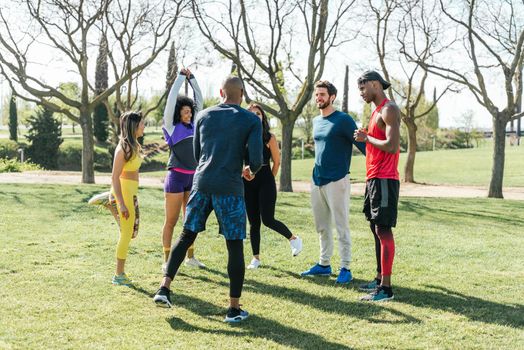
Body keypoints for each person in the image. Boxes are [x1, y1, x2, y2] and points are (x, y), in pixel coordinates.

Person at [153, 76, 263, 323]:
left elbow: (196, 152)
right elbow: (256, 159)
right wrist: (249, 169)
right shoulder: (250, 120)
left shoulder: (202, 116)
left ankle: (164, 288)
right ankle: (233, 309)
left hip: (201, 183)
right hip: (230, 187)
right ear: (242, 94)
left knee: (186, 235)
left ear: (222, 91)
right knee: (234, 245)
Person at [301, 80, 365, 284]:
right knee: (322, 226)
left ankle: (345, 267)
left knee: (341, 225)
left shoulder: (344, 120)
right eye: (317, 95)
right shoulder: (316, 121)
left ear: (332, 97)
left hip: (337, 180)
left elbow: (363, 146)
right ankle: (323, 264)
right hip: (317, 179)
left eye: (322, 94)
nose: (318, 98)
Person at [354, 70, 400, 301]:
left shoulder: (389, 109)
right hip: (373, 177)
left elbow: (392, 146)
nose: (361, 93)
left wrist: (367, 138)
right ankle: (379, 277)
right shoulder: (375, 112)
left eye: (363, 88)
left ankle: (386, 289)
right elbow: (375, 146)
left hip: (385, 178)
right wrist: (365, 139)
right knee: (375, 227)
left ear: (375, 84)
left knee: (383, 229)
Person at [243, 103, 303, 270]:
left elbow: (276, 163)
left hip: (265, 181)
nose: (255, 116)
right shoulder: (242, 136)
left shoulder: (269, 138)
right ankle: (256, 258)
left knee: (267, 219)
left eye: (258, 113)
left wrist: (268, 180)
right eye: (251, 113)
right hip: (247, 183)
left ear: (263, 117)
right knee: (253, 222)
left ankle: (293, 239)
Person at [161, 68, 205, 272]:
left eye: (190, 111)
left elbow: (200, 99)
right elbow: (171, 100)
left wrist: (193, 79)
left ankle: (190, 257)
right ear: (178, 112)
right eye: (185, 111)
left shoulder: (195, 125)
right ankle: (167, 260)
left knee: (191, 221)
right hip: (176, 177)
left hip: (193, 179)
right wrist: (180, 78)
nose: (189, 113)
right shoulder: (171, 126)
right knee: (171, 220)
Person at [110, 111, 145, 286]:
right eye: (142, 124)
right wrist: (121, 203)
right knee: (125, 234)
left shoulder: (135, 146)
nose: (144, 126)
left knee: (131, 232)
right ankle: (118, 274)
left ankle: (110, 201)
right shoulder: (122, 148)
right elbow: (114, 177)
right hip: (123, 193)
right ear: (134, 126)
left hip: (131, 193)